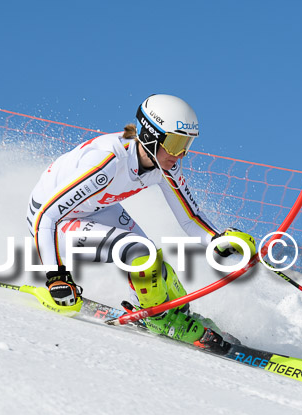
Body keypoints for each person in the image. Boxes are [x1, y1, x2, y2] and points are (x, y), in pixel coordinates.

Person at [26, 94, 256, 352]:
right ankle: (161, 319)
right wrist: (56, 276)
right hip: (57, 219)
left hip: (96, 207)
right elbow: (47, 216)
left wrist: (217, 240)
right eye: (175, 143)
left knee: (152, 258)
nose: (179, 155)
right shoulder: (107, 162)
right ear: (149, 135)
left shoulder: (163, 165)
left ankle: (176, 310)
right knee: (139, 251)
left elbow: (190, 217)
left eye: (186, 145)